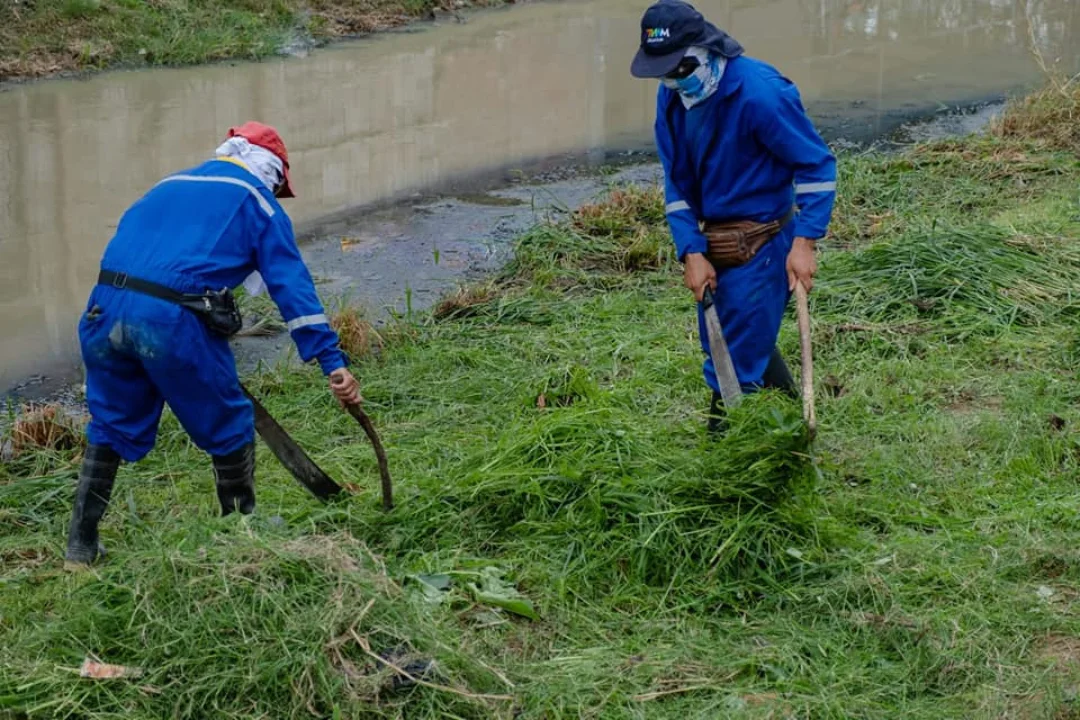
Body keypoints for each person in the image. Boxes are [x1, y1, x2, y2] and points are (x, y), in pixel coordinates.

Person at [65, 122, 361, 567]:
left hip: (101, 312)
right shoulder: (258, 201)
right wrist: (330, 360)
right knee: (229, 422)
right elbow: (291, 288)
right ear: (274, 173)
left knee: (109, 423)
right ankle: (239, 531)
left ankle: (79, 547)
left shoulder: (169, 185)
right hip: (169, 320)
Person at [630, 0, 836, 433]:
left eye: (678, 69)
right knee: (736, 336)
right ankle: (793, 428)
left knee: (732, 361)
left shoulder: (760, 94)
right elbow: (677, 181)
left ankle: (725, 466)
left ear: (705, 50)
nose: (671, 81)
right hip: (714, 242)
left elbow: (817, 167)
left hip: (764, 242)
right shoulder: (674, 96)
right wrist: (691, 250)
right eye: (663, 72)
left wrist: (805, 242)